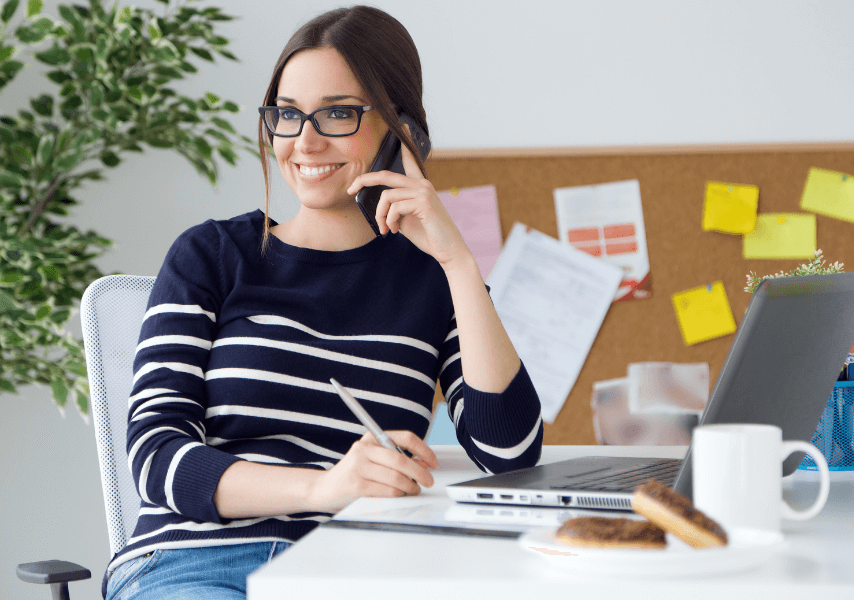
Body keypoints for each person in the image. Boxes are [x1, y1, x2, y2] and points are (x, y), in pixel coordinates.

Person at [103, 6, 543, 599]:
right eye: (288, 115)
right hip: (198, 561)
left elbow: (509, 452)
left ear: (402, 131)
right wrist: (321, 488)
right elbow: (156, 457)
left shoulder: (432, 281)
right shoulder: (210, 256)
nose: (304, 141)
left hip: (357, 569)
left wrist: (458, 262)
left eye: (337, 113)